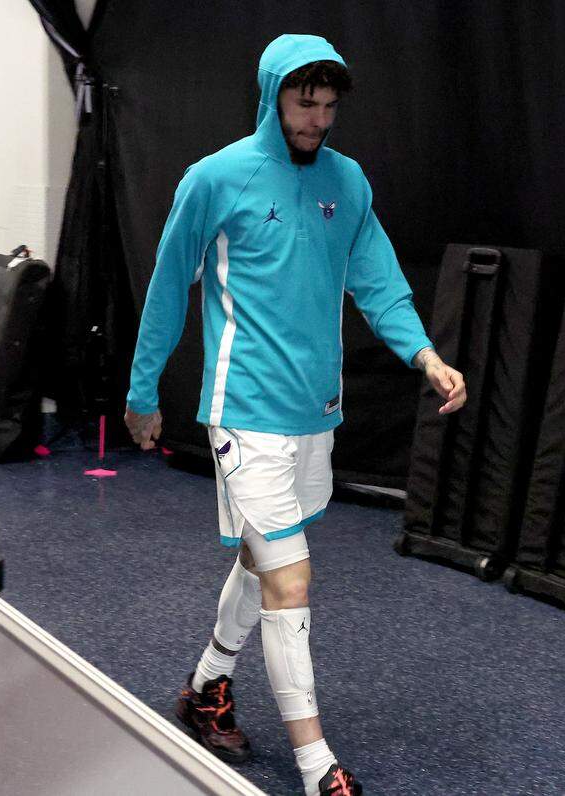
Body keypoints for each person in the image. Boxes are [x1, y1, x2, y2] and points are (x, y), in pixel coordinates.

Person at [124, 35, 467, 796]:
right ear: (272, 95)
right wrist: (143, 391)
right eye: (302, 102)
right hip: (244, 414)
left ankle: (208, 685)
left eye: (326, 105)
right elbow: (167, 283)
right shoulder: (216, 178)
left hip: (315, 415)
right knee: (292, 579)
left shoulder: (347, 182)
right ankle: (317, 767)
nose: (316, 118)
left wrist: (424, 355)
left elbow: (379, 281)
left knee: (260, 558)